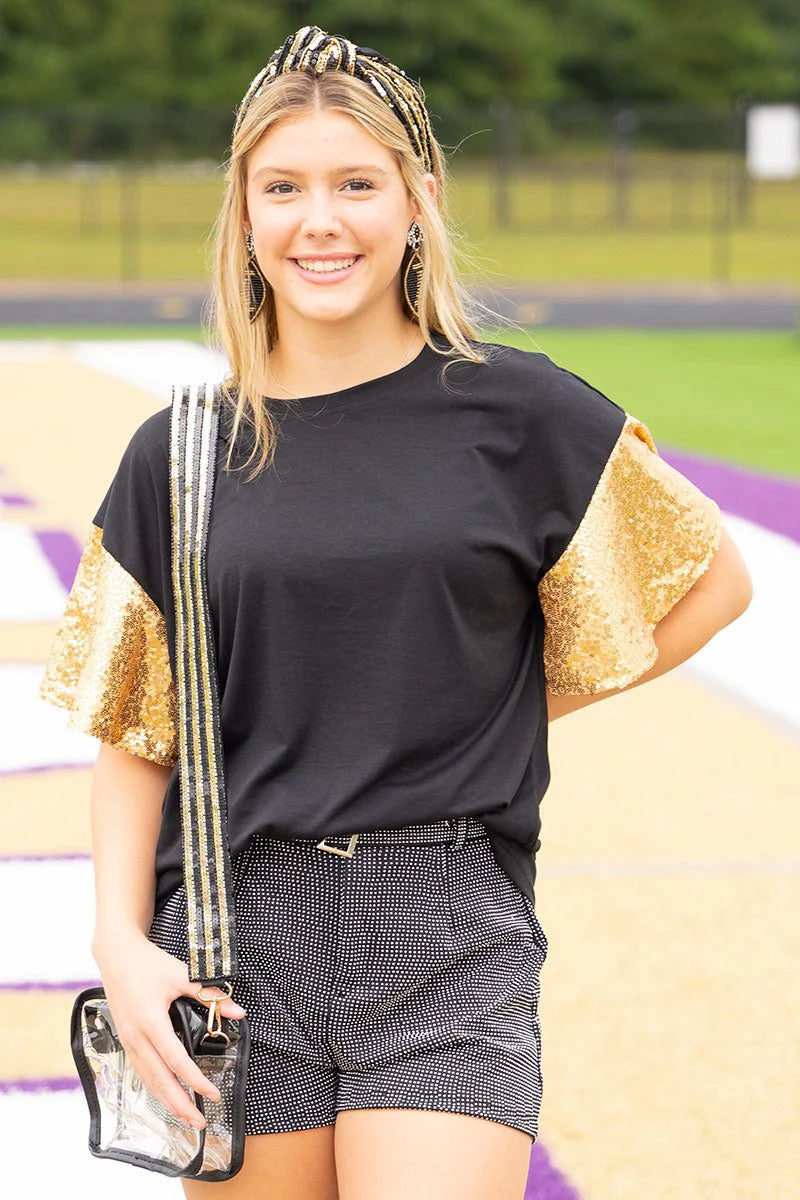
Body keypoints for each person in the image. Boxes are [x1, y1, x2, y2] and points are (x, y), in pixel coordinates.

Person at [38, 24, 753, 1200]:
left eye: (356, 184)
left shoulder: (516, 412)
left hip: (443, 919)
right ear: (245, 213)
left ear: (417, 199)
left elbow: (709, 583)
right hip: (232, 932)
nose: (321, 221)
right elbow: (137, 730)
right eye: (284, 187)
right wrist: (120, 945)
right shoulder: (177, 455)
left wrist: (503, 712)